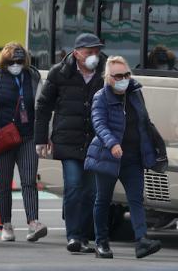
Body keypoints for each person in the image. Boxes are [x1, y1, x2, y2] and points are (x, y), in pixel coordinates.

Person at [85, 56, 162, 259]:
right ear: (108, 77)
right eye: (118, 76)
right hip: (108, 156)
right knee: (103, 200)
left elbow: (144, 121)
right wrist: (112, 143)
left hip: (133, 158)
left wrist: (152, 147)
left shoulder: (136, 93)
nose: (124, 79)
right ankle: (101, 243)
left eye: (126, 74)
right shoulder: (100, 97)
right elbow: (99, 123)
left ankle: (141, 241)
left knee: (136, 199)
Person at [35, 33, 105, 253]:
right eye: (89, 52)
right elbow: (43, 106)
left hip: (95, 141)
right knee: (74, 186)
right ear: (76, 53)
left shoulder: (106, 72)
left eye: (96, 51)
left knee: (91, 192)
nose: (94, 56)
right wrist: (40, 138)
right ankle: (74, 236)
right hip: (67, 139)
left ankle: (83, 237)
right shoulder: (60, 73)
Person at [0, 42, 47, 242]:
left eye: (20, 61)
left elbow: (41, 107)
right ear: (4, 62)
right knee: (4, 185)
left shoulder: (33, 76)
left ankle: (33, 223)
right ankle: (6, 225)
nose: (16, 64)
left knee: (29, 181)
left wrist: (43, 136)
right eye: (12, 61)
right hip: (1, 137)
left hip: (28, 137)